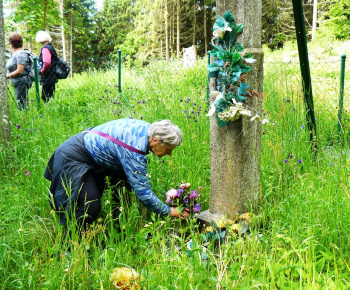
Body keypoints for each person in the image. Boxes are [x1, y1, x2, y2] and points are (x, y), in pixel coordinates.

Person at [44, 118, 190, 233]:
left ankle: (118, 229)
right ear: (156, 141)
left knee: (123, 186)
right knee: (90, 205)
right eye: (169, 149)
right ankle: (69, 244)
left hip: (89, 154)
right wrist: (169, 211)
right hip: (73, 158)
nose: (170, 154)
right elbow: (144, 194)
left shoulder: (148, 130)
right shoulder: (135, 149)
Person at [6, 33, 33, 110]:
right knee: (20, 103)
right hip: (17, 83)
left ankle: (25, 119)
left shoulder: (21, 54)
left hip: (22, 82)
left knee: (22, 105)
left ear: (11, 44)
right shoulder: (14, 54)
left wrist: (7, 76)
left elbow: (20, 70)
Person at [35, 30, 58, 103]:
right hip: (52, 75)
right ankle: (51, 109)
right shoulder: (50, 47)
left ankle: (49, 111)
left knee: (45, 96)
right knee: (50, 95)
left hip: (48, 76)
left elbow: (47, 62)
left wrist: (42, 71)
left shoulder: (45, 49)